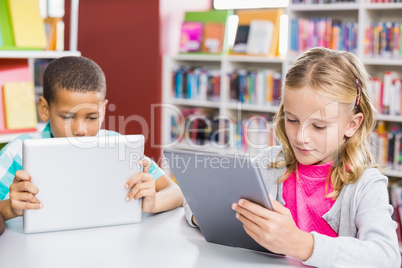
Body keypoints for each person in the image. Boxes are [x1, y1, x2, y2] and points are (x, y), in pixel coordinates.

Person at [185, 47, 401, 267]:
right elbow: (199, 202)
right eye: (292, 120)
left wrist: (301, 244)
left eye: (318, 126)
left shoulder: (365, 184)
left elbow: (388, 257)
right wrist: (202, 216)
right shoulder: (269, 164)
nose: (300, 137)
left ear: (352, 125)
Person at [0, 56, 183, 227]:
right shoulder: (18, 152)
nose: (80, 130)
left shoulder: (117, 147)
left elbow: (176, 192)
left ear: (103, 110)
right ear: (44, 109)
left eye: (92, 117)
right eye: (67, 116)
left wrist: (152, 203)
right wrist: (9, 209)